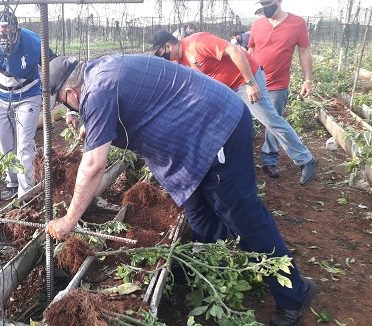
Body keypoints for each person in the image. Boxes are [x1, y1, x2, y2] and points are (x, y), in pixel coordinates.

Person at [46, 55, 317, 326]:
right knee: (199, 216)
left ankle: (294, 294)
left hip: (217, 129)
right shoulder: (99, 73)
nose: (67, 107)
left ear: (71, 92)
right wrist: (91, 126)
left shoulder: (97, 91)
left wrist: (69, 220)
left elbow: (94, 165)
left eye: (63, 102)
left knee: (244, 217)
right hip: (192, 139)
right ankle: (215, 277)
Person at [149, 30, 316, 185]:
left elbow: (235, 50)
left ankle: (305, 159)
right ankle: (227, 170)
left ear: (168, 46)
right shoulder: (180, 60)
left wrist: (251, 83)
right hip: (225, 89)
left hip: (244, 81)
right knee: (219, 126)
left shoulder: (197, 43)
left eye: (160, 53)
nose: (161, 57)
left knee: (270, 120)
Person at [0, 10, 54, 200]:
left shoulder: (32, 42)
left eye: (10, 36)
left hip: (28, 93)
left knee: (24, 145)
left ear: (16, 31)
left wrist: (51, 95)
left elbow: (53, 64)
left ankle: (26, 192)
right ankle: (12, 182)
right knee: (3, 143)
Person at [248, 0, 315, 180]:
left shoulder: (297, 23)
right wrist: (248, 80)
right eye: (262, 3)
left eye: (268, 3)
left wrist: (307, 79)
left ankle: (269, 160)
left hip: (278, 83)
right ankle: (246, 155)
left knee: (274, 122)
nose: (265, 7)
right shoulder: (257, 24)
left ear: (279, 1)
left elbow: (304, 51)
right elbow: (251, 49)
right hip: (254, 82)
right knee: (247, 117)